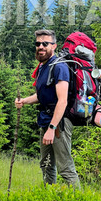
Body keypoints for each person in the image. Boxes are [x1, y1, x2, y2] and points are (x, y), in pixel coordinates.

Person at [15, 29, 80, 188]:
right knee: (46, 164)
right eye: (38, 44)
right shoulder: (43, 67)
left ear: (54, 45)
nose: (41, 47)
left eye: (45, 43)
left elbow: (62, 101)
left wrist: (52, 128)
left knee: (65, 167)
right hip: (46, 121)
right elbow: (41, 95)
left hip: (59, 123)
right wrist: (24, 101)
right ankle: (49, 198)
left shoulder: (59, 67)